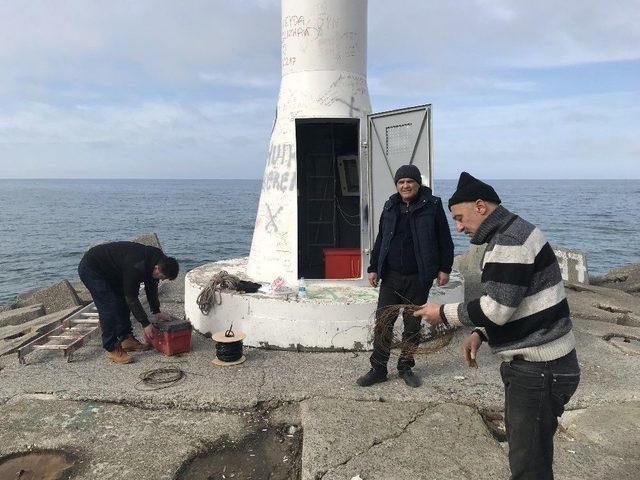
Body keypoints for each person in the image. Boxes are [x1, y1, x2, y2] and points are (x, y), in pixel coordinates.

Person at [415, 172, 580, 479]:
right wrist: (481, 333)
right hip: (546, 367)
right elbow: (516, 301)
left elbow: (497, 308)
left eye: (460, 218)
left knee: (529, 468)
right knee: (531, 457)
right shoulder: (513, 231)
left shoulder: (509, 241)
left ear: (481, 206)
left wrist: (444, 313)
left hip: (539, 371)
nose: (460, 228)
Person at [357, 164, 454, 388]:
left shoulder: (433, 205)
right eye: (401, 182)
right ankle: (378, 368)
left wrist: (444, 269)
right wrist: (374, 268)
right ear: (397, 185)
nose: (405, 185)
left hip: (419, 277)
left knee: (412, 324)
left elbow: (444, 240)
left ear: (418, 184)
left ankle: (405, 367)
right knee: (383, 322)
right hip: (391, 276)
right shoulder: (390, 206)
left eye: (409, 181)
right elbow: (381, 239)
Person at [78, 241, 179, 364]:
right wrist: (145, 323)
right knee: (109, 306)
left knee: (121, 302)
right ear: (157, 268)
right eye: (162, 277)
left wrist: (156, 311)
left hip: (112, 271)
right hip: (92, 269)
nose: (162, 280)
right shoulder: (137, 267)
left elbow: (151, 286)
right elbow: (131, 298)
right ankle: (111, 348)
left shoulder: (158, 259)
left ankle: (126, 339)